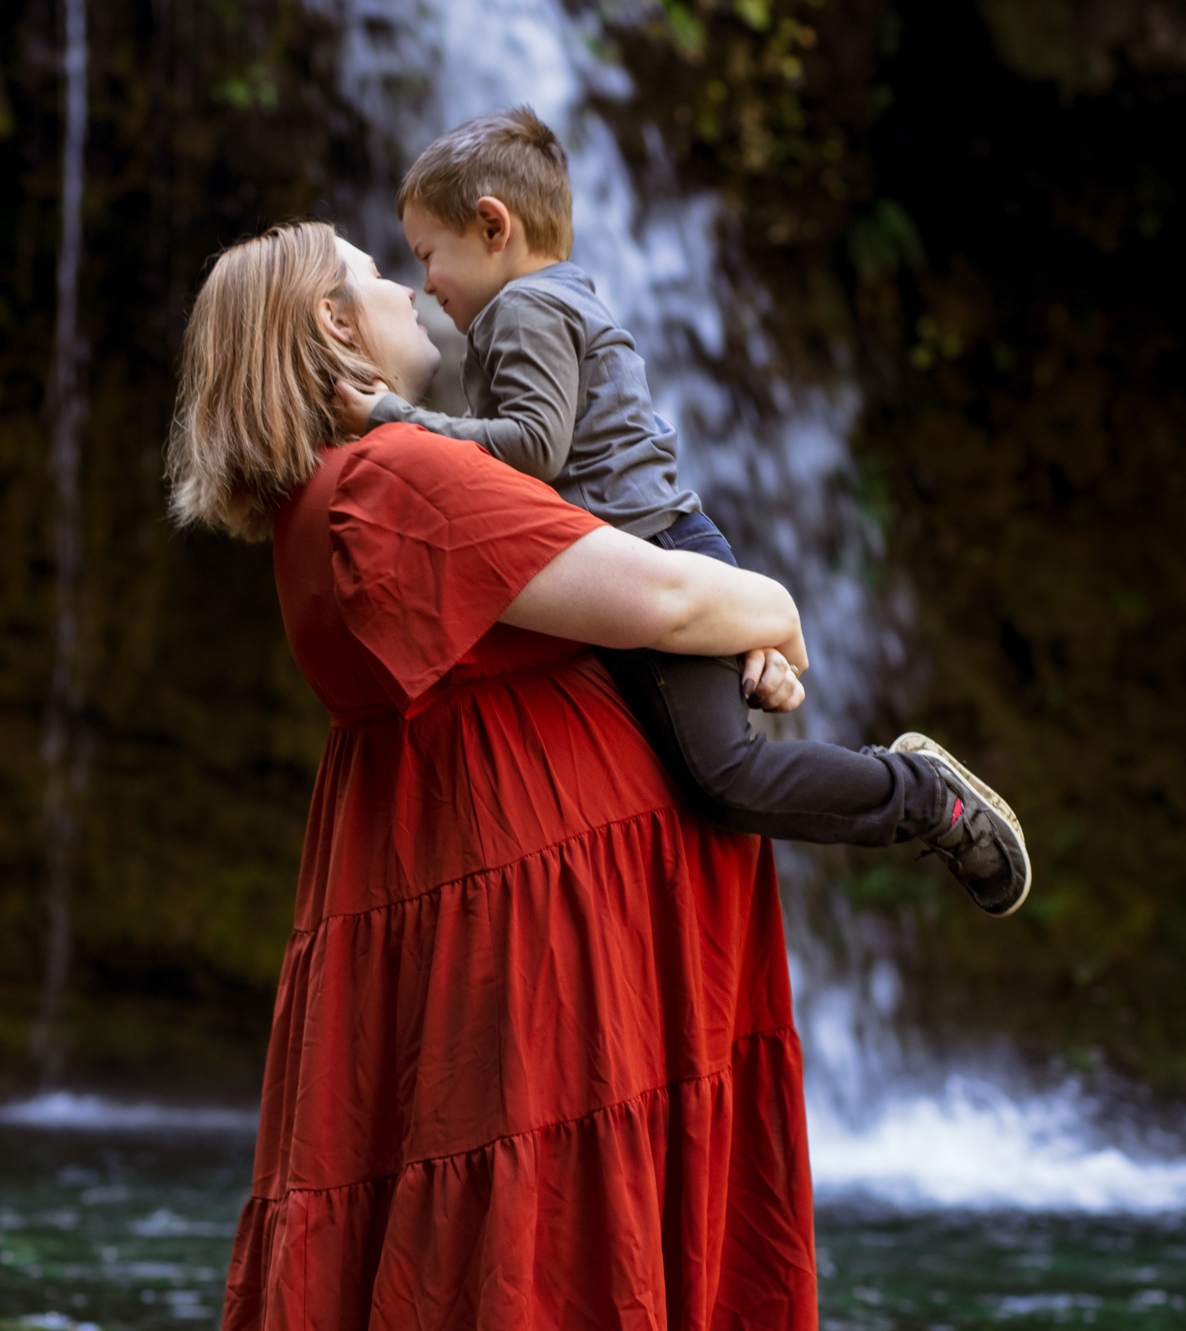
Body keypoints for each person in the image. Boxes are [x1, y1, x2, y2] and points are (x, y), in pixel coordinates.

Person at [168, 220, 819, 1328]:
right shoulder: (397, 474)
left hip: (482, 903)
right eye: (378, 275)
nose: (414, 290)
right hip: (552, 947)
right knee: (554, 1248)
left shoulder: (321, 501)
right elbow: (673, 601)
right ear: (334, 323)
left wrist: (734, 631)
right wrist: (777, 611)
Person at [334, 107, 1031, 919]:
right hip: (655, 551)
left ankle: (924, 796)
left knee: (726, 778)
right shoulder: (555, 299)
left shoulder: (522, 311)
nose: (424, 286)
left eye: (427, 257)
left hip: (651, 554)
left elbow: (532, 449)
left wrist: (392, 419)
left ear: (493, 227)